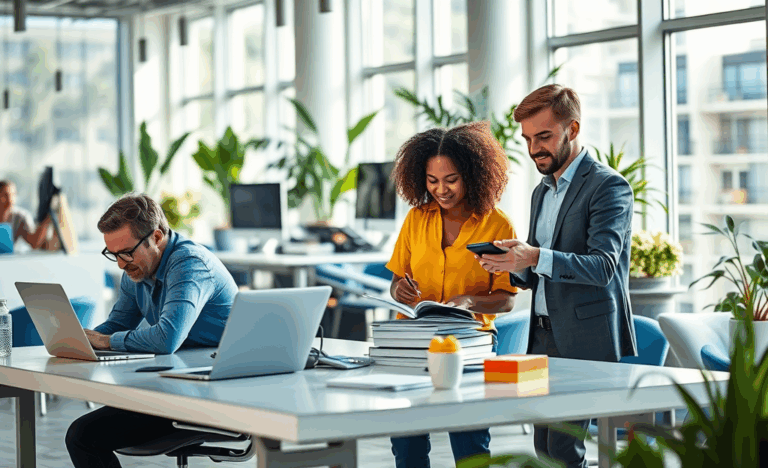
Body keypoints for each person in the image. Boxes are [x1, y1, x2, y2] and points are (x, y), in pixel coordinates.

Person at [476, 84, 637, 468]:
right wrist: (514, 264)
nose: (534, 149)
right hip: (541, 336)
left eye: (544, 136)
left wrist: (535, 255)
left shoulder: (609, 187)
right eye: (529, 139)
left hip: (583, 340)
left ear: (573, 129)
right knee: (544, 448)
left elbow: (602, 268)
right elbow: (539, 269)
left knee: (565, 450)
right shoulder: (540, 192)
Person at [65, 193, 238, 468]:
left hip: (215, 396)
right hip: (177, 384)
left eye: (126, 253)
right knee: (82, 434)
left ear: (156, 237)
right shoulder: (138, 269)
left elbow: (166, 338)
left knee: (83, 436)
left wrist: (106, 341)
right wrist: (78, 341)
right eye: (113, 254)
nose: (121, 264)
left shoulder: (189, 264)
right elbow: (117, 325)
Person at [386, 121, 518, 468]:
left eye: (451, 180)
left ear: (473, 175)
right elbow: (397, 281)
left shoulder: (496, 224)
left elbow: (506, 298)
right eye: (432, 181)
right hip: (414, 343)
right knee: (407, 442)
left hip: (470, 346)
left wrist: (470, 301)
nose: (441, 190)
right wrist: (399, 288)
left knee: (470, 445)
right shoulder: (416, 218)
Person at [0, 180, 53, 249]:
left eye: (13, 194)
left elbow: (34, 243)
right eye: (5, 195)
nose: (10, 199)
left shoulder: (20, 217)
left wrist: (47, 218)